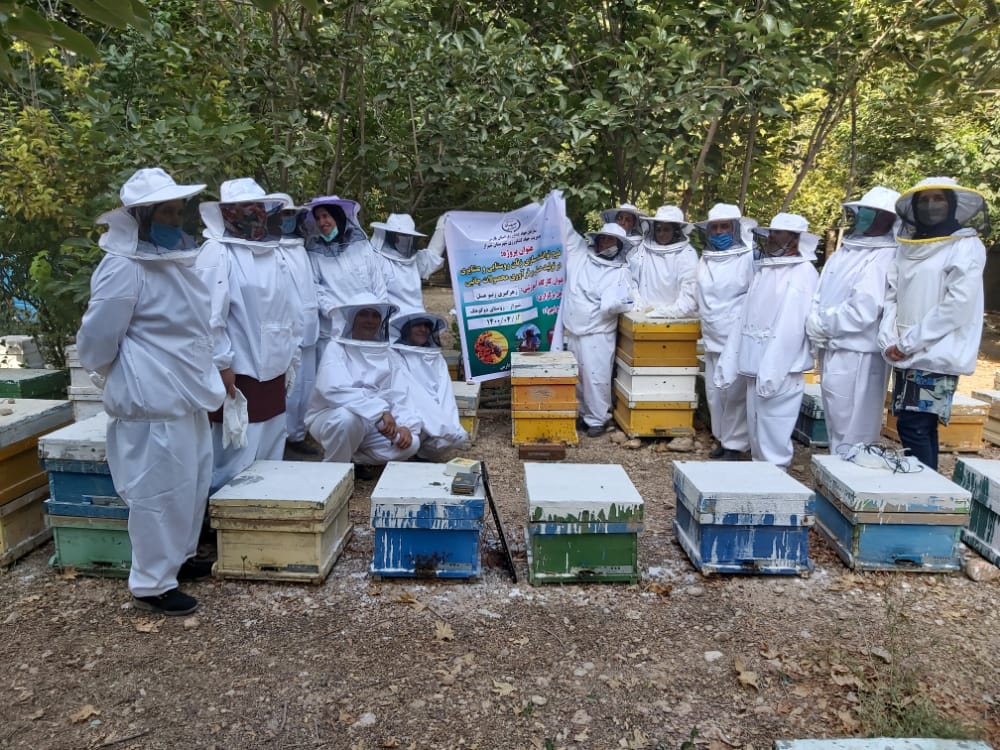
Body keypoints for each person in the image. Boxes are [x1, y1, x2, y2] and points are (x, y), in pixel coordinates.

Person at [77, 167, 225, 616]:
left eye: (178, 209)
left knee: (190, 486)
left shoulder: (173, 260)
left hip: (187, 395)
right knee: (158, 493)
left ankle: (177, 561)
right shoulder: (122, 267)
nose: (175, 218)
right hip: (151, 399)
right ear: (140, 217)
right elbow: (98, 337)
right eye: (166, 210)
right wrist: (122, 373)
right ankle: (151, 583)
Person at [196, 179, 302, 492]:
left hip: (275, 370)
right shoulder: (215, 252)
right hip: (238, 374)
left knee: (269, 451)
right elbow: (210, 316)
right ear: (228, 213)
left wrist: (291, 357)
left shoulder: (275, 253)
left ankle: (260, 517)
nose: (253, 215)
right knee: (235, 453)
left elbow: (288, 311)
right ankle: (221, 523)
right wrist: (222, 365)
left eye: (258, 208)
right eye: (245, 209)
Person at [878, 177, 988, 470]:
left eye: (938, 198)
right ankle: (928, 491)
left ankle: (923, 489)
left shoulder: (965, 246)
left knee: (913, 426)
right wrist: (889, 339)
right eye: (924, 200)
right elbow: (893, 294)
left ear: (951, 203)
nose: (931, 205)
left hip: (936, 353)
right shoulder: (906, 247)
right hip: (905, 353)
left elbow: (957, 305)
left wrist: (908, 343)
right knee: (918, 426)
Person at [716, 212, 819, 468]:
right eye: (771, 232)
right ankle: (759, 483)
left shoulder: (803, 272)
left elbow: (791, 327)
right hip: (754, 366)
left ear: (795, 239)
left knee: (774, 432)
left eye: (778, 233)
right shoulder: (765, 269)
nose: (772, 237)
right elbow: (744, 317)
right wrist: (731, 360)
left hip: (782, 369)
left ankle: (776, 485)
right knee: (756, 431)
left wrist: (772, 369)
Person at [807, 186, 900, 454]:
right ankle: (839, 474)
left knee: (855, 426)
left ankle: (851, 478)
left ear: (888, 219)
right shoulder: (845, 252)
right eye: (863, 211)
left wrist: (823, 325)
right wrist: (816, 322)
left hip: (860, 355)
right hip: (834, 347)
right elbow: (821, 294)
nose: (864, 217)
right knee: (837, 418)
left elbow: (864, 309)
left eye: (872, 213)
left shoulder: (885, 256)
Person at [306, 295, 421, 477]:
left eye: (375, 315)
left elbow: (401, 394)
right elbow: (334, 390)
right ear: (352, 318)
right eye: (363, 315)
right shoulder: (336, 348)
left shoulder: (388, 354)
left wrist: (406, 425)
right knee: (347, 418)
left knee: (411, 443)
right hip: (330, 416)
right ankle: (334, 472)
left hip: (374, 424)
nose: (370, 320)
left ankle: (355, 458)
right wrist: (380, 411)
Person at [557, 222, 639, 437]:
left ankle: (598, 419)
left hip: (598, 333)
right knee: (578, 377)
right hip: (574, 330)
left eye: (611, 240)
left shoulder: (621, 272)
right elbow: (568, 234)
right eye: (603, 238)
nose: (605, 242)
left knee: (596, 377)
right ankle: (584, 414)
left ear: (620, 245)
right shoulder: (580, 257)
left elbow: (619, 302)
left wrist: (618, 303)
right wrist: (553, 202)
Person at [693, 203, 757, 460]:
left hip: (736, 337)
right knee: (714, 393)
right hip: (711, 335)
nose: (719, 232)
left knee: (734, 393)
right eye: (714, 227)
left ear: (737, 228)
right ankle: (722, 438)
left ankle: (736, 445)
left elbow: (755, 298)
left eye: (724, 227)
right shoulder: (706, 258)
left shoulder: (750, 257)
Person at [305, 196, 388, 361]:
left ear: (338, 216)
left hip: (367, 329)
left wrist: (379, 317)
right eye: (318, 218)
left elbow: (378, 284)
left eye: (326, 216)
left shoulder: (363, 247)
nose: (322, 222)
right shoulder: (314, 253)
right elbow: (314, 288)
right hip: (333, 332)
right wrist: (334, 312)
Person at [389, 308, 468, 460]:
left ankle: (421, 455)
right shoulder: (394, 356)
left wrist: (450, 425)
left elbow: (445, 395)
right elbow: (409, 394)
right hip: (406, 417)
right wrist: (439, 425)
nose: (423, 329)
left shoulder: (437, 359)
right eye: (418, 325)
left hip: (435, 419)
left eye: (427, 326)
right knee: (414, 435)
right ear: (407, 328)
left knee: (459, 437)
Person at [274, 197, 321, 456]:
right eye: (282, 215)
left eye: (291, 215)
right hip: (287, 330)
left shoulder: (302, 247)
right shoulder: (270, 249)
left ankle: (298, 435)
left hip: (310, 329)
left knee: (307, 387)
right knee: (288, 389)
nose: (287, 220)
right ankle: (283, 438)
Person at [632, 205, 698, 317]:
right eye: (658, 229)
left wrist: (664, 312)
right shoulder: (643, 248)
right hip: (641, 316)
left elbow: (690, 297)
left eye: (666, 229)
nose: (661, 234)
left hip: (675, 320)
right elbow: (632, 279)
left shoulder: (687, 253)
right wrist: (636, 302)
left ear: (676, 231)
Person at [370, 213, 444, 310]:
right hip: (392, 320)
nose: (406, 239)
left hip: (418, 319)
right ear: (391, 235)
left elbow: (433, 256)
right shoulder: (377, 260)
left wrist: (442, 227)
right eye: (402, 235)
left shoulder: (415, 260)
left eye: (409, 235)